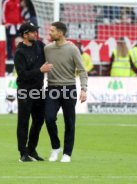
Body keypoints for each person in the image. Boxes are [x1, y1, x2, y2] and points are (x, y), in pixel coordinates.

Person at [44, 22, 88, 162]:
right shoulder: (47, 49)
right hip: (52, 88)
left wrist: (84, 89)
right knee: (49, 118)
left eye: (52, 30)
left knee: (69, 122)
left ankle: (67, 153)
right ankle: (56, 147)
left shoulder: (73, 49)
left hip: (69, 89)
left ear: (60, 33)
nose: (49, 33)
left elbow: (81, 70)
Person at [14, 22, 53, 162]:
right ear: (25, 35)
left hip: (38, 90)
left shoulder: (40, 46)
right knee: (23, 122)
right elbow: (22, 74)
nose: (35, 34)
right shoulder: (19, 53)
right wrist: (40, 71)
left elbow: (52, 50)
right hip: (25, 91)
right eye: (32, 32)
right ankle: (23, 153)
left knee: (39, 120)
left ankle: (31, 149)